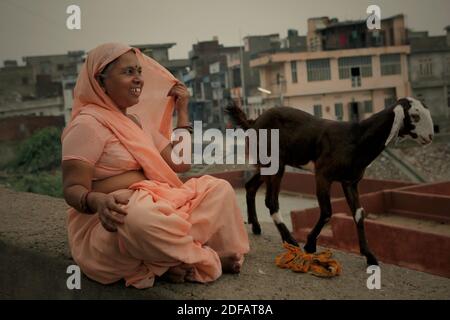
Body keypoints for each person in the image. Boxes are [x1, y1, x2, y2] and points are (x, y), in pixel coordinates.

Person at [61, 43, 249, 289]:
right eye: (128, 72)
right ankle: (204, 259)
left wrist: (182, 111)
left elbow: (180, 163)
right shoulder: (87, 125)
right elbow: (72, 188)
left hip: (157, 207)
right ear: (100, 81)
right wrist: (98, 201)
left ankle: (165, 260)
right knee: (138, 219)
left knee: (219, 189)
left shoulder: (137, 122)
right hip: (111, 221)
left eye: (139, 72)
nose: (138, 79)